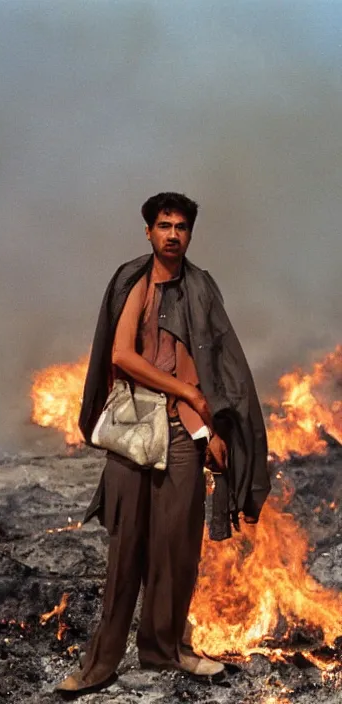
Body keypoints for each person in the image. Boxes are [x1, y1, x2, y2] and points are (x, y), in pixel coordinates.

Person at [57, 193, 270, 694]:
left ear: (190, 234)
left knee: (176, 549)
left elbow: (213, 365)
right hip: (135, 426)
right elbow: (123, 356)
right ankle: (100, 665)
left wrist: (209, 429)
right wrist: (185, 390)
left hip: (182, 432)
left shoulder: (200, 288)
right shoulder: (135, 282)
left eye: (181, 227)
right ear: (148, 232)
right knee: (126, 548)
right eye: (163, 225)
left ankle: (164, 649)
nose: (173, 234)